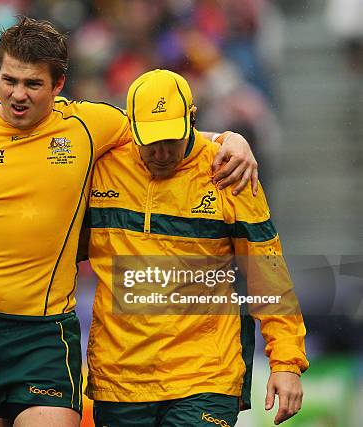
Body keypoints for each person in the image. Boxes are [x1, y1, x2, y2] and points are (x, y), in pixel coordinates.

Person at [0, 17, 257, 427]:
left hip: (45, 332)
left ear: (58, 85)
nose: (17, 95)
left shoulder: (90, 126)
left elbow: (163, 131)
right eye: (8, 80)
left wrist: (229, 139)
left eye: (32, 84)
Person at [84, 69, 309, 426]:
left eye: (171, 139)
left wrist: (286, 362)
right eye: (150, 141)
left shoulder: (230, 172)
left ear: (192, 118)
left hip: (206, 376)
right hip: (119, 381)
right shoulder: (100, 166)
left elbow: (268, 274)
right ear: (131, 126)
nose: (160, 152)